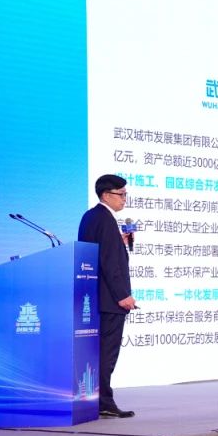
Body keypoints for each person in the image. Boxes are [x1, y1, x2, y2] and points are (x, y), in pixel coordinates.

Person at [78, 174, 137, 418]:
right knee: (107, 351)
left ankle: (95, 399)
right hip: (109, 300)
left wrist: (119, 242)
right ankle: (103, 401)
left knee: (98, 351)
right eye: (120, 194)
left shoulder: (91, 217)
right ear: (105, 195)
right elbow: (109, 262)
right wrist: (122, 295)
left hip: (94, 297)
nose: (124, 199)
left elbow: (100, 253)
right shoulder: (105, 219)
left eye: (125, 194)